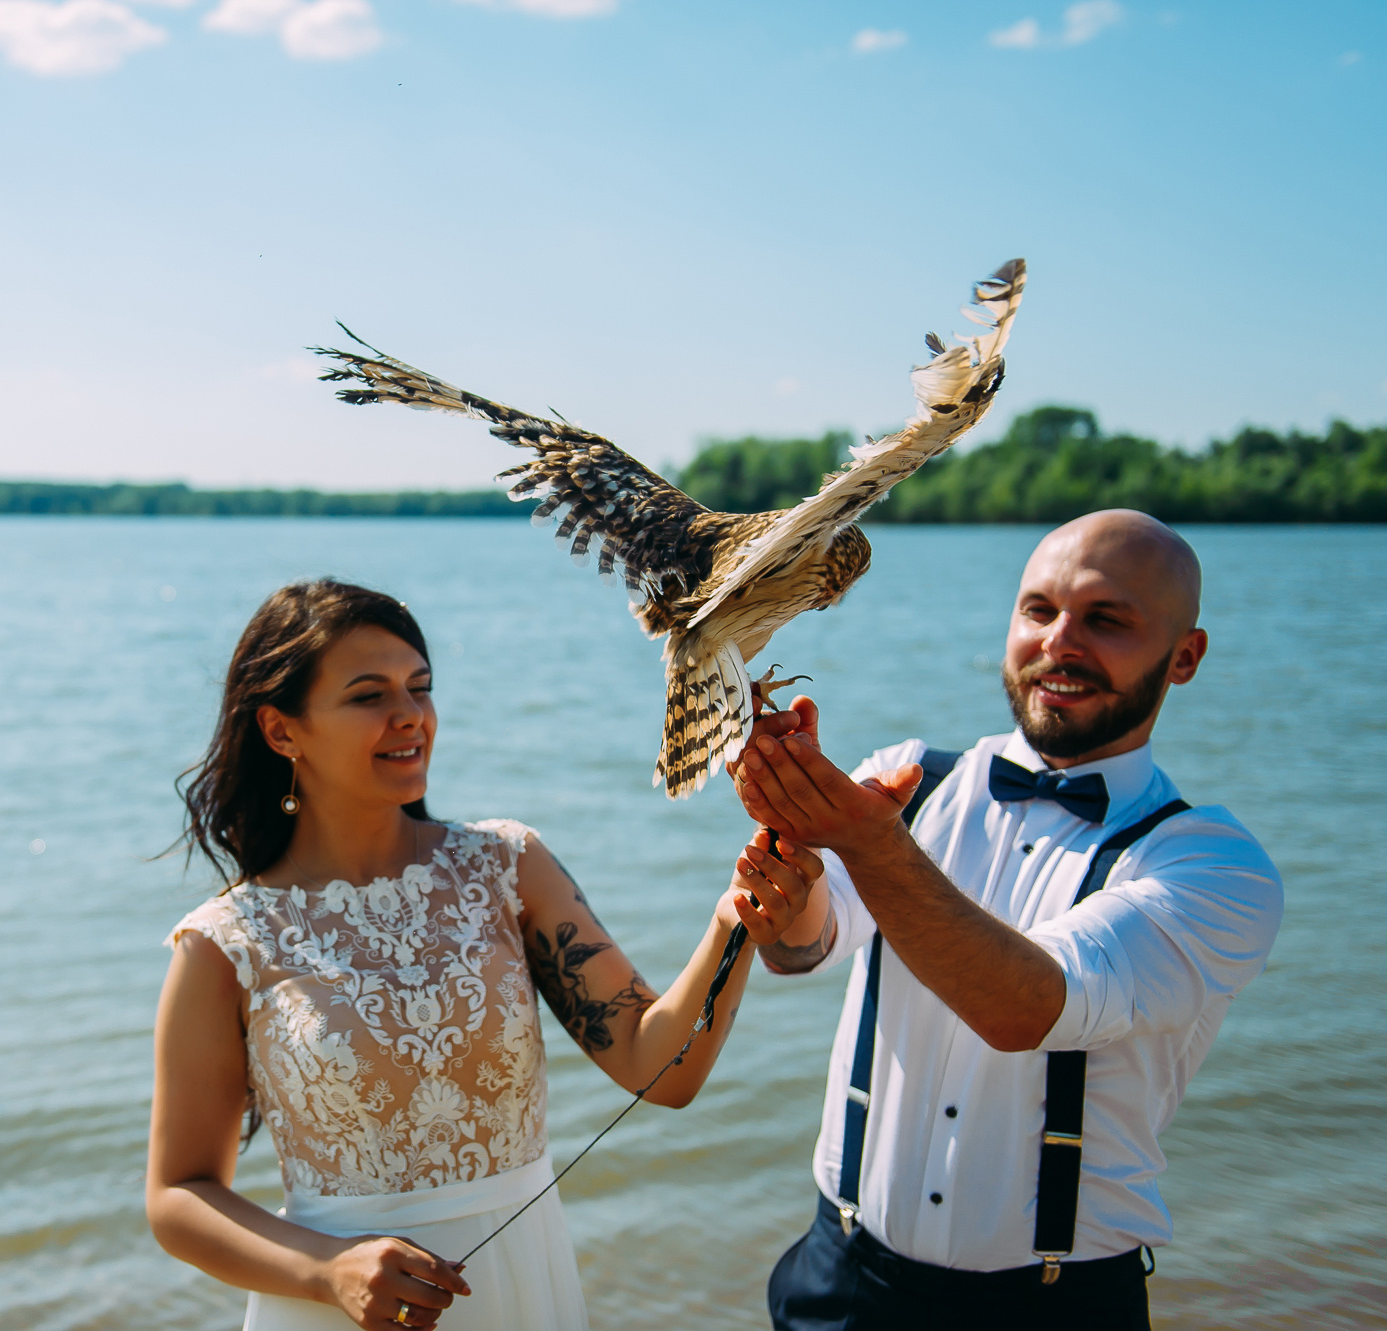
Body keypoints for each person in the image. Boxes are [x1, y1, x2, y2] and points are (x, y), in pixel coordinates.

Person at [147, 578, 814, 1330]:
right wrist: (326, 1270)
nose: (410, 714)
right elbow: (178, 1195)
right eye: (369, 695)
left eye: (420, 686)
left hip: (521, 1286)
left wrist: (733, 922)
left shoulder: (505, 867)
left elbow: (658, 1065)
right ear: (281, 731)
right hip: (331, 1309)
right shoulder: (225, 941)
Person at [732, 510, 1283, 1330]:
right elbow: (804, 947)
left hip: (1056, 1308)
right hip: (838, 1280)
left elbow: (1028, 1006)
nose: (1060, 641)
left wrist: (869, 843)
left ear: (1185, 656)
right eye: (1039, 609)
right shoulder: (907, 780)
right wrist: (787, 885)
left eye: (1106, 619)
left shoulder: (1215, 867)